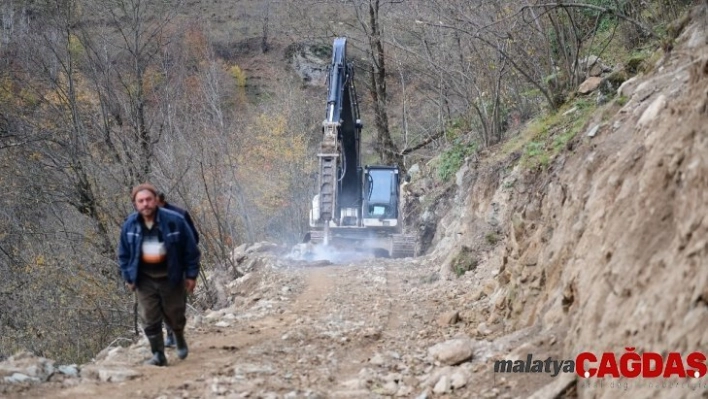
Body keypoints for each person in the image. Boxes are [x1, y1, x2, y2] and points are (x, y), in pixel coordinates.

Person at [118, 183, 200, 366]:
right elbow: (123, 254)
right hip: (144, 278)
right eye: (141, 201)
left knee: (175, 313)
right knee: (149, 316)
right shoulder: (130, 225)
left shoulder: (175, 220)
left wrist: (191, 275)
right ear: (135, 204)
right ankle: (158, 355)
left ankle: (178, 336)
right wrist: (128, 276)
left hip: (171, 275)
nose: (145, 204)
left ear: (156, 200)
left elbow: (191, 249)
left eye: (148, 199)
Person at [156, 191, 200, 348]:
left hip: (178, 265)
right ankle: (170, 334)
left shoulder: (179, 215)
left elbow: (194, 239)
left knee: (177, 302)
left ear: (161, 201)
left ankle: (177, 332)